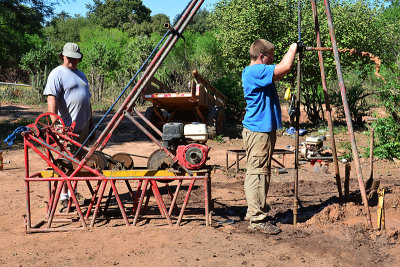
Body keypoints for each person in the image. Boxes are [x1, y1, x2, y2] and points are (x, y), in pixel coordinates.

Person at [242, 39, 300, 234]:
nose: (272, 61)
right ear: (261, 57)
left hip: (260, 130)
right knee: (257, 172)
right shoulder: (255, 71)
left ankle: (254, 211)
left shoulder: (256, 73)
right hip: (258, 131)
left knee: (259, 171)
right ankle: (257, 219)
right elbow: (285, 67)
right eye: (271, 57)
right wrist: (293, 48)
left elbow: (281, 69)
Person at [43, 42, 92, 209]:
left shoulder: (81, 74)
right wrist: (54, 121)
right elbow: (52, 97)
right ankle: (64, 197)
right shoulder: (57, 73)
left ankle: (72, 192)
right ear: (63, 56)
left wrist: (91, 122)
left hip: (83, 126)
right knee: (65, 161)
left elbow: (87, 99)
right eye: (70, 57)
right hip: (67, 127)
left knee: (78, 161)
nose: (73, 60)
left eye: (75, 58)